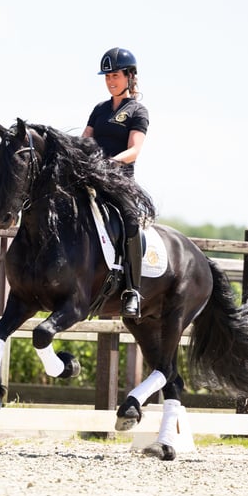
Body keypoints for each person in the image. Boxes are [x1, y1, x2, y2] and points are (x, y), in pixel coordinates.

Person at [82, 47, 149, 318]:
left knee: (131, 222)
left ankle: (132, 290)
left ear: (130, 76)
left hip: (120, 181)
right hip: (92, 176)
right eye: (107, 76)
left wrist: (110, 163)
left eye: (116, 75)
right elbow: (85, 140)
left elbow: (134, 150)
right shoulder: (99, 110)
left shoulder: (137, 111)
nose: (111, 81)